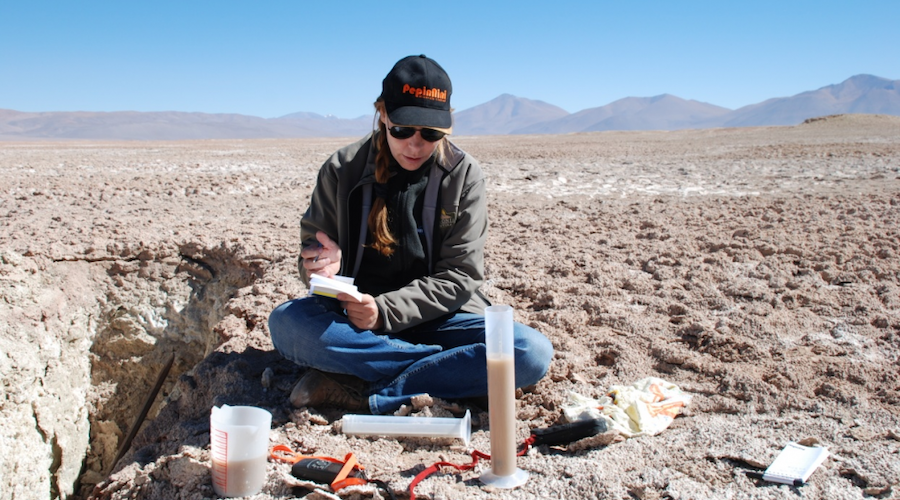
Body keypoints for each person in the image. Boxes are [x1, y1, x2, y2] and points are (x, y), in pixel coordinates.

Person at [268, 55, 553, 415]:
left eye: (430, 133)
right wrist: (321, 266)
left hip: (441, 319)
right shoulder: (343, 169)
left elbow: (461, 275)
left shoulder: (462, 175)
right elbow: (312, 254)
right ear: (382, 114)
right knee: (287, 324)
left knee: (529, 351)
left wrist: (383, 312)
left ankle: (364, 388)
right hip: (355, 323)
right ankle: (450, 373)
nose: (415, 145)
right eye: (402, 129)